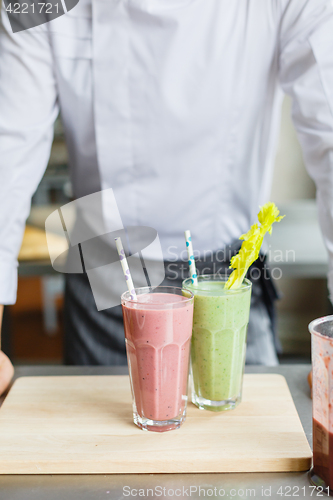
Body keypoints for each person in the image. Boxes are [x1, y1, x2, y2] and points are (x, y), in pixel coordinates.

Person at [1, 0, 333, 394]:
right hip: (105, 268)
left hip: (229, 277)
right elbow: (8, 150)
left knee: (242, 432)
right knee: (102, 441)